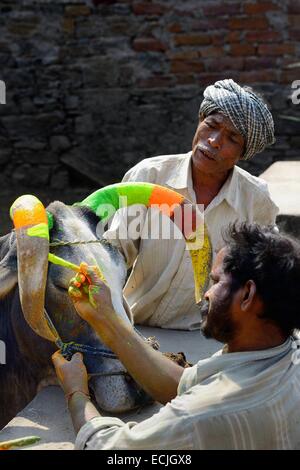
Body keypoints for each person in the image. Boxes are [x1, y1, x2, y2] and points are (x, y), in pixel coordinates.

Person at [52, 223, 300, 450]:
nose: (207, 293)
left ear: (247, 295)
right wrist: (106, 318)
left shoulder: (198, 416)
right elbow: (182, 384)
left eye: (216, 282)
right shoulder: (286, 353)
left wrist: (76, 393)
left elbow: (107, 449)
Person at [103, 79, 279, 330]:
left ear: (244, 153)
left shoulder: (256, 201)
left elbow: (263, 279)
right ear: (200, 121)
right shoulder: (149, 177)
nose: (214, 141)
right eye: (211, 125)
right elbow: (115, 252)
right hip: (134, 327)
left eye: (232, 138)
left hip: (205, 337)